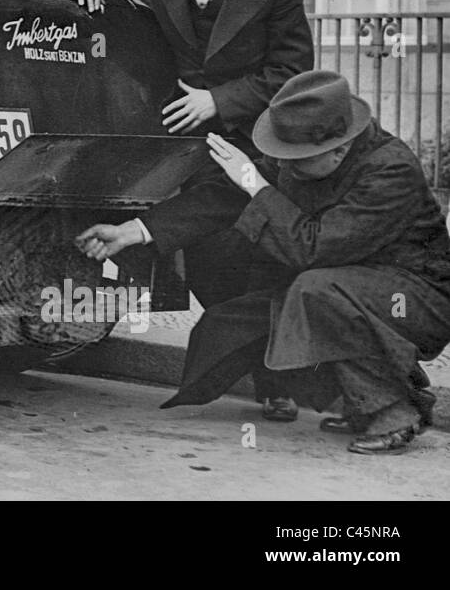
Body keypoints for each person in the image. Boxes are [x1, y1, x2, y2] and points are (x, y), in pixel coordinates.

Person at [75, 72, 450, 454]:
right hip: (360, 287)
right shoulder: (312, 153)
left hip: (419, 300)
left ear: (340, 149)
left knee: (312, 292)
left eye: (297, 161)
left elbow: (314, 249)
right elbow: (223, 197)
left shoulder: (391, 169)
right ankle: (366, 398)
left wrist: (257, 185)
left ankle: (394, 410)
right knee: (262, 315)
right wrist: (133, 231)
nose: (287, 167)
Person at [55, 0, 314, 418]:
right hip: (183, 140)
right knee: (208, 263)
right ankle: (261, 370)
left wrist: (219, 100)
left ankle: (277, 382)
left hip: (250, 141)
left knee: (255, 258)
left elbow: (293, 71)